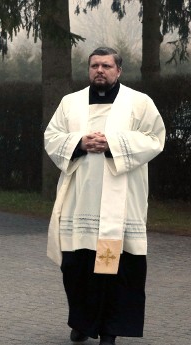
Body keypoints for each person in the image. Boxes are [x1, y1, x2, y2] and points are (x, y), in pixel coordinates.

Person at [44, 47, 166, 345]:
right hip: (79, 202)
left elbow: (155, 138)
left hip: (121, 204)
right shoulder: (70, 103)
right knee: (76, 268)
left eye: (107, 66)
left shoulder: (140, 103)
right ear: (89, 70)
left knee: (116, 270)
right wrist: (79, 142)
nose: (100, 70)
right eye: (95, 65)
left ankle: (109, 331)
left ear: (118, 70)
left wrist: (112, 143)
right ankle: (82, 322)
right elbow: (52, 136)